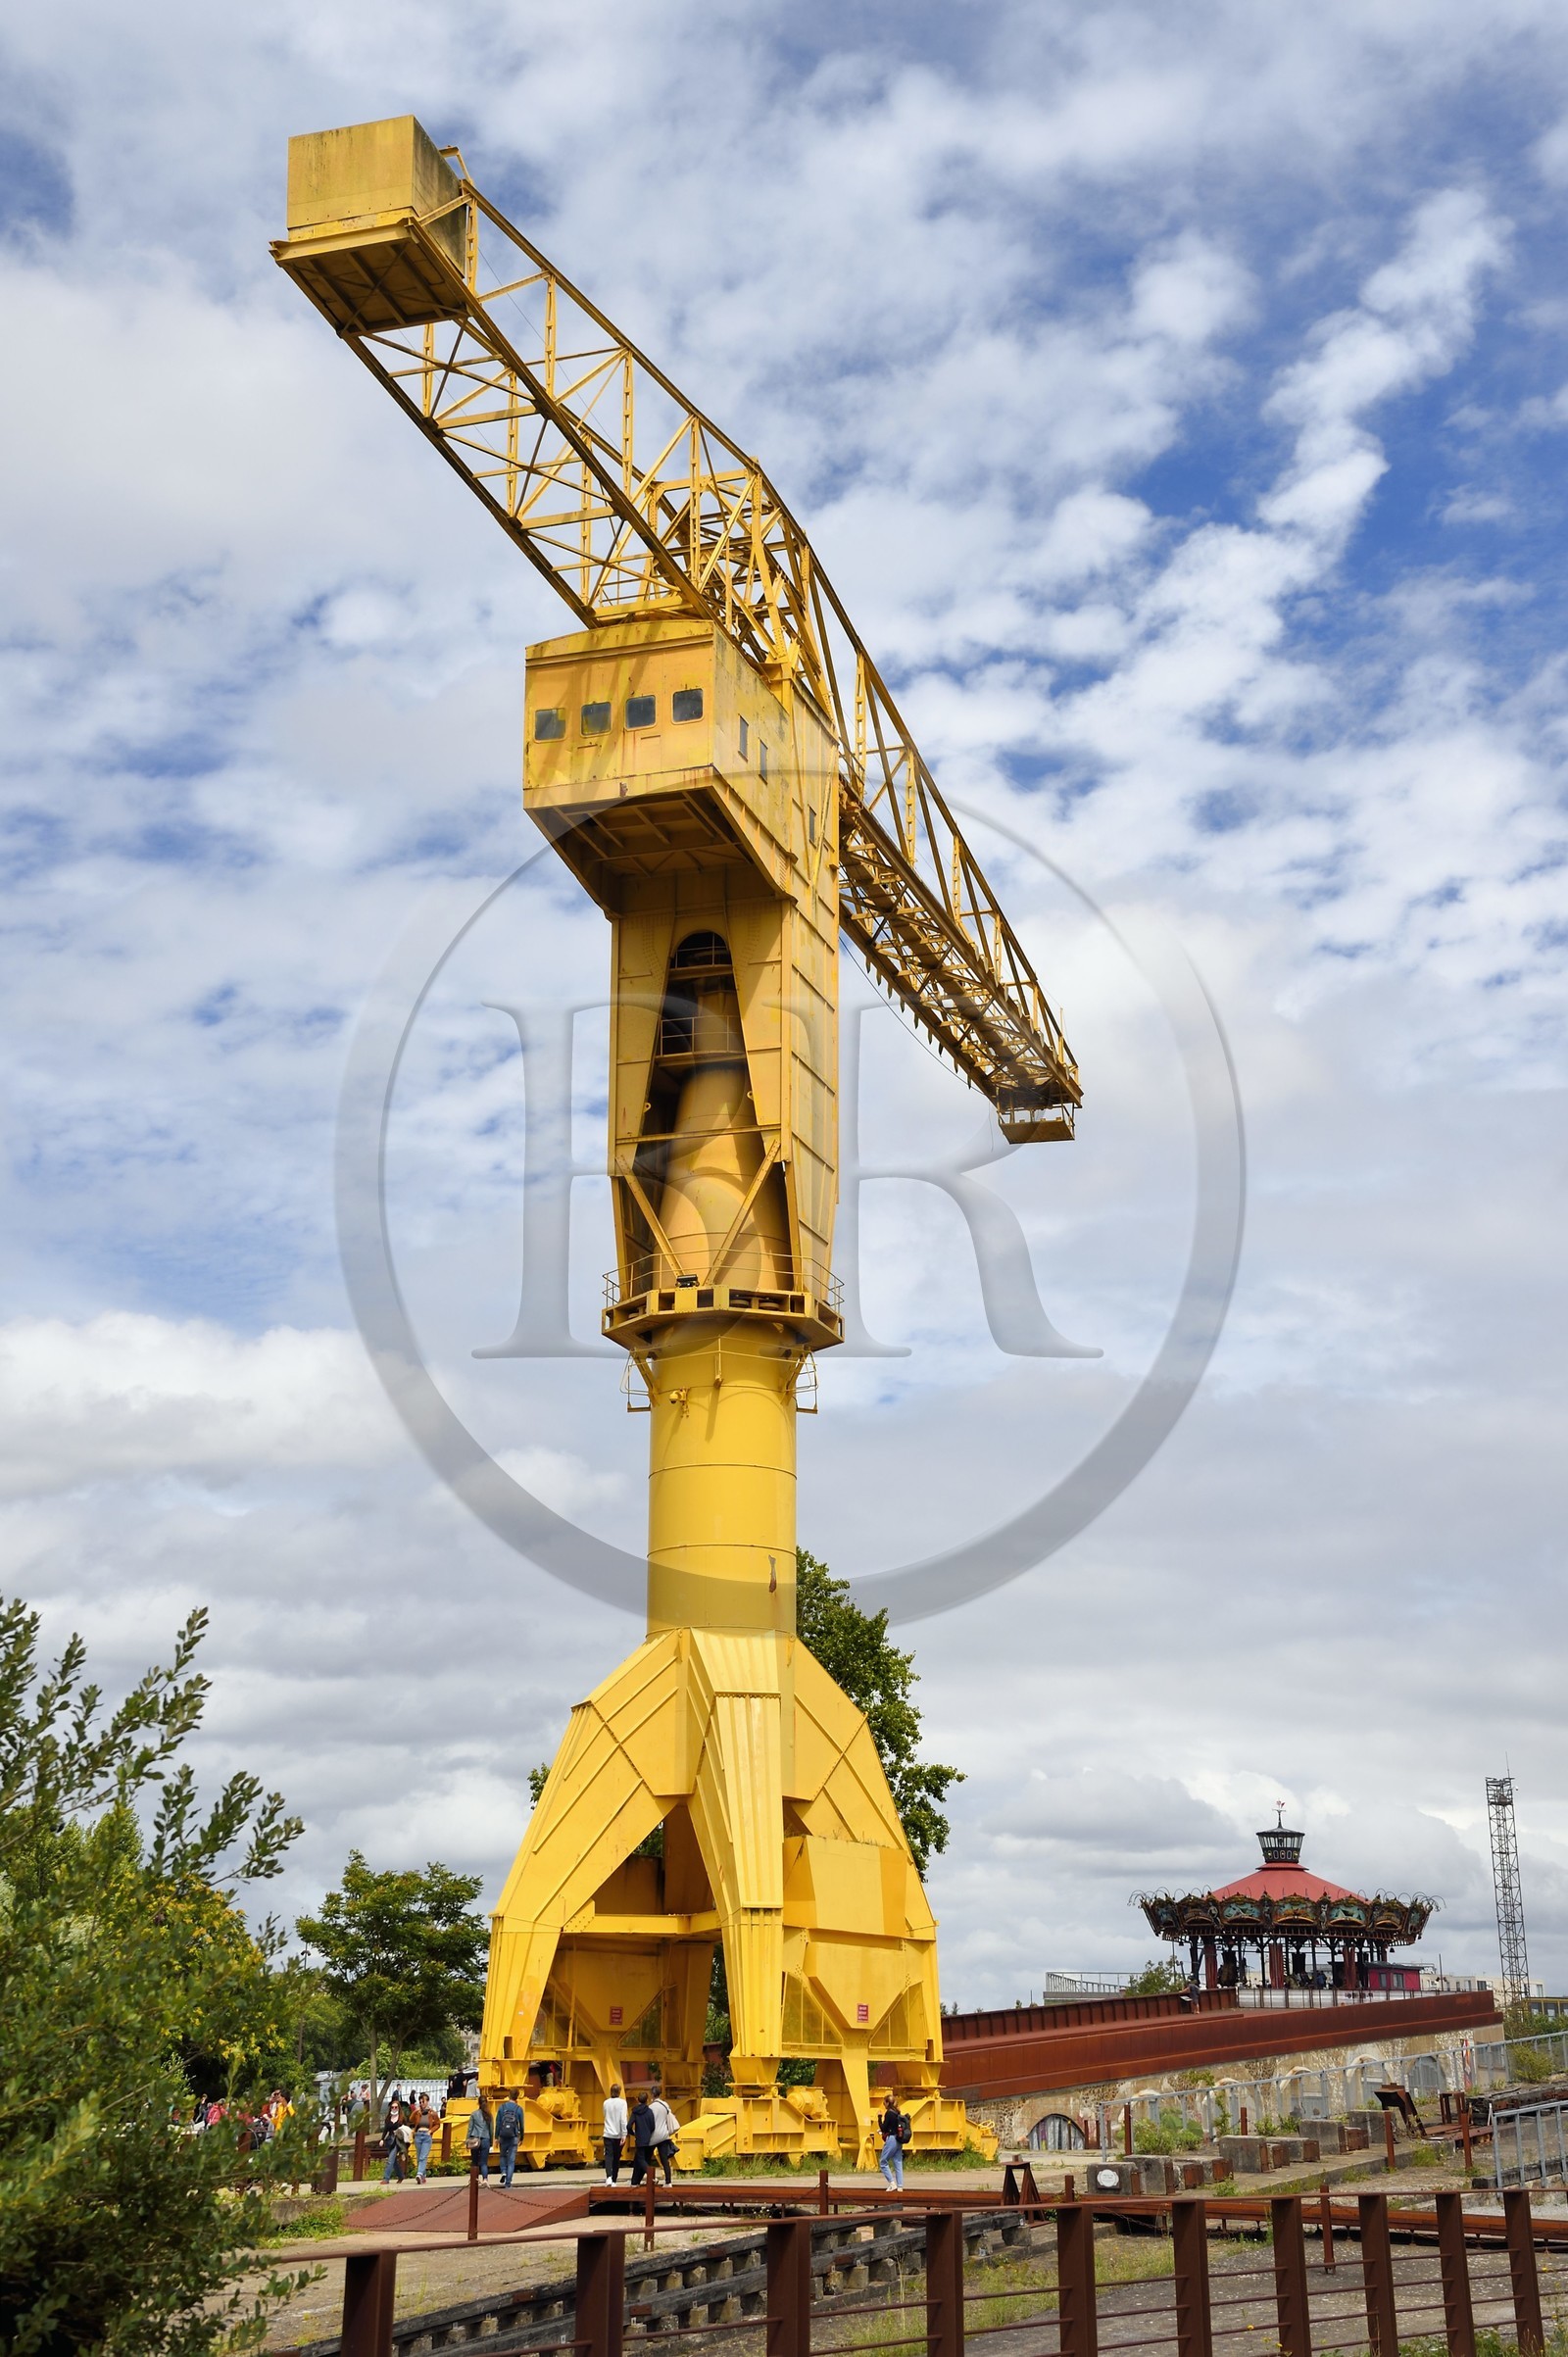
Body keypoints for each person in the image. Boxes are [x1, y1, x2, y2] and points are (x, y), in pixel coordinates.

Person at [649, 2089, 680, 2185]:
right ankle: (668, 2182)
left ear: (652, 2095)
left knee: (646, 2158)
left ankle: (647, 2179)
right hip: (664, 2135)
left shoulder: (650, 2107)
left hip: (653, 2136)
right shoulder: (665, 2105)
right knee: (664, 2160)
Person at [494, 2090, 525, 2186]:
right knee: (511, 2161)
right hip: (513, 2137)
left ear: (508, 2096)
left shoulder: (502, 2107)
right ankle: (508, 2183)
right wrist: (522, 2137)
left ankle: (503, 2171)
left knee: (503, 2156)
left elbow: (498, 2123)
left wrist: (496, 2137)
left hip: (503, 2136)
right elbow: (522, 2126)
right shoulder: (519, 2109)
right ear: (517, 2097)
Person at [878, 2093, 906, 2192]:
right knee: (898, 2163)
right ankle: (900, 2186)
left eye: (884, 2103)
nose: (883, 2105)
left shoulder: (889, 2113)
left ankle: (892, 2183)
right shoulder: (897, 2112)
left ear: (887, 2103)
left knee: (883, 2162)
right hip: (899, 2140)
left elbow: (884, 2128)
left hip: (892, 2139)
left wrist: (879, 2118)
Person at [628, 2092, 658, 2185]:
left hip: (639, 2139)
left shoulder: (635, 2111)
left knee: (640, 2159)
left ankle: (651, 2175)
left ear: (637, 2099)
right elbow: (653, 2126)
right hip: (649, 2139)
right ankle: (635, 2181)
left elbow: (629, 2125)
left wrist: (633, 2133)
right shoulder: (650, 2111)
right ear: (647, 2100)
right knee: (641, 2159)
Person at [410, 2092, 440, 2184]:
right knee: (419, 2157)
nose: (421, 2103)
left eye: (423, 2101)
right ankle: (423, 2175)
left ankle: (419, 2174)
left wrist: (431, 2131)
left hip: (426, 2136)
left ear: (427, 2102)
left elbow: (438, 2124)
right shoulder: (418, 2113)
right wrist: (416, 2110)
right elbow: (411, 2119)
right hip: (418, 2135)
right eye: (420, 2102)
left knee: (423, 2156)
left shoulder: (432, 2113)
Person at [602, 2083, 628, 2184]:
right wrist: (624, 2134)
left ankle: (608, 2176)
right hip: (618, 2134)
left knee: (608, 2156)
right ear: (619, 2092)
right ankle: (614, 2180)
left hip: (607, 2133)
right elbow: (623, 2119)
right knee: (617, 2157)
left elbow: (605, 2115)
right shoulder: (623, 2103)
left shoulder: (605, 2103)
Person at [466, 2092, 494, 2185]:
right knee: (484, 2162)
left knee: (474, 2161)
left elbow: (470, 2128)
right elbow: (491, 2129)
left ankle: (474, 2180)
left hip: (475, 2139)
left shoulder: (474, 2114)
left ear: (478, 2103)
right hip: (486, 2139)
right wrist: (491, 2142)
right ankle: (485, 2179)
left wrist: (467, 2140)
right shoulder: (489, 2115)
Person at [382, 2099, 405, 2184]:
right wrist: (382, 2139)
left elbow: (406, 2129)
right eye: (392, 2107)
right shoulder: (388, 2118)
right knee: (394, 2161)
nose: (394, 2108)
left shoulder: (401, 2118)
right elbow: (385, 2130)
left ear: (398, 2108)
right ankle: (400, 2175)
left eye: (396, 2107)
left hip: (397, 2140)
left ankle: (386, 2178)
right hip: (389, 2140)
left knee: (390, 2159)